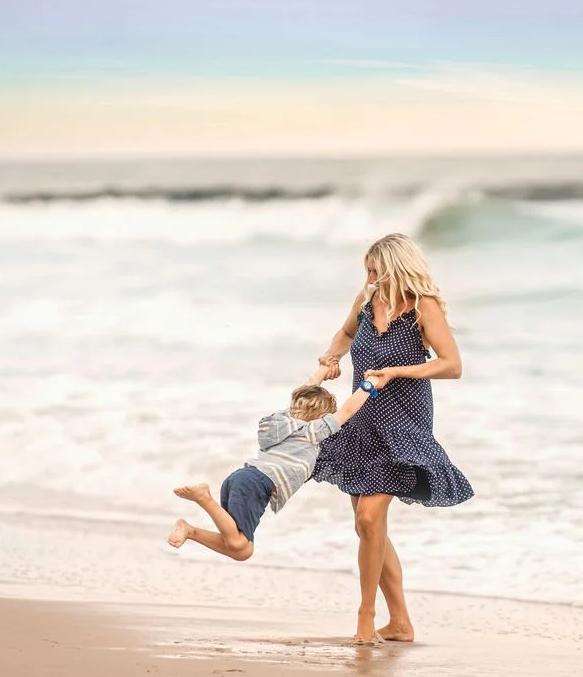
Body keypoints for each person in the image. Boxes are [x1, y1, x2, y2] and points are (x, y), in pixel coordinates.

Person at [313, 233, 474, 644]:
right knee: (368, 526)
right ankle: (400, 622)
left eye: (374, 270)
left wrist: (397, 371)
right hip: (360, 417)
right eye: (366, 270)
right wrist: (332, 357)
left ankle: (366, 615)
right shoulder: (367, 300)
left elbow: (452, 365)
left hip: (404, 420)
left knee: (369, 519)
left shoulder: (423, 307)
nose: (368, 278)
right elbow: (346, 334)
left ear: (395, 267)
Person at [168, 366, 383, 562]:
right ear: (320, 417)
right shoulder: (310, 432)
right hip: (257, 483)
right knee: (237, 544)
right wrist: (369, 384)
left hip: (242, 479)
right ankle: (204, 498)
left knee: (240, 549)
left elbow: (304, 392)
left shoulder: (281, 422)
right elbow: (347, 411)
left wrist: (321, 372)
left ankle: (191, 531)